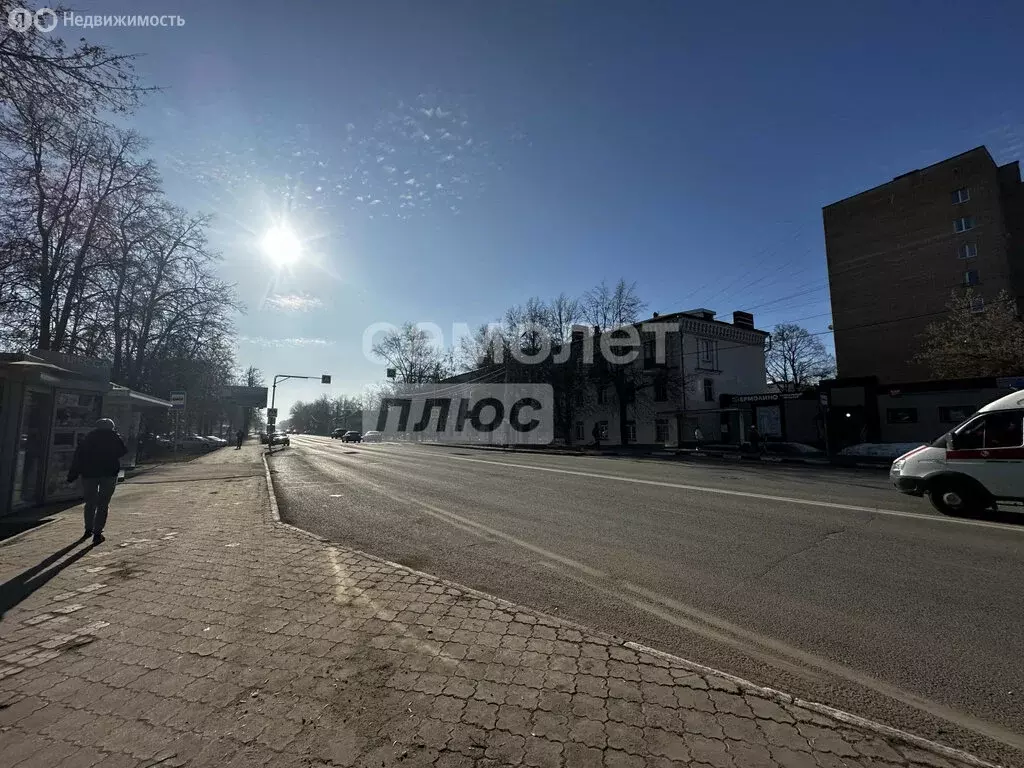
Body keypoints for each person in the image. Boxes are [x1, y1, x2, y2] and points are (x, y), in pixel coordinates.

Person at [67, 418, 127, 544]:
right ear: (112, 427)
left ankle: (88, 529)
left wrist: (73, 473)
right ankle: (98, 532)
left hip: (89, 474)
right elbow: (122, 452)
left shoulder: (88, 438)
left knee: (90, 502)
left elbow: (79, 456)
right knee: (103, 503)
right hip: (109, 474)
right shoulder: (114, 438)